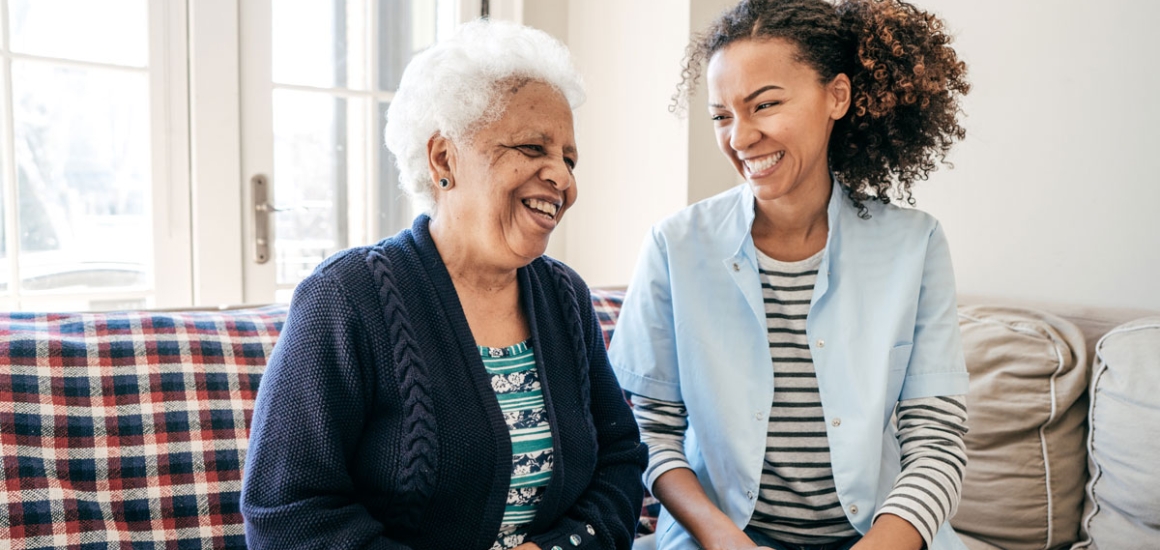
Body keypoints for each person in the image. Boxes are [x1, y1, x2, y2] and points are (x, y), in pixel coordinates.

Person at [241, 19, 647, 550]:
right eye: (532, 148)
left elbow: (619, 458)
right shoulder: (345, 297)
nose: (564, 179)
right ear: (443, 158)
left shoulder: (564, 296)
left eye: (568, 159)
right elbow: (287, 511)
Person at [608, 0, 971, 549]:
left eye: (766, 104)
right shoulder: (674, 245)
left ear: (837, 96)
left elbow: (936, 442)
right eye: (721, 115)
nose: (739, 137)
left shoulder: (914, 245)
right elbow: (648, 433)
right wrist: (720, 537)